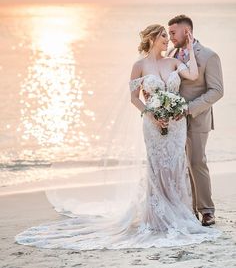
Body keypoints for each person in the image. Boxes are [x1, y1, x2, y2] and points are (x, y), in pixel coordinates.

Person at [15, 22, 221, 250]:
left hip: (176, 125)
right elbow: (134, 98)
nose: (168, 39)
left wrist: (191, 47)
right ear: (153, 38)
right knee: (156, 166)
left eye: (168, 35)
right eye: (164, 35)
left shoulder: (174, 60)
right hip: (153, 125)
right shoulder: (139, 66)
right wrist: (150, 114)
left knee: (175, 166)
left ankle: (180, 210)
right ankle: (157, 216)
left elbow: (192, 74)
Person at [167, 15, 224, 226]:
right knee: (181, 164)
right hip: (174, 120)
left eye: (173, 32)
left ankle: (207, 210)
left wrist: (188, 109)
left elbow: (217, 91)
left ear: (186, 32)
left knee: (197, 162)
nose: (170, 37)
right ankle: (188, 210)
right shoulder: (171, 54)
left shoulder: (209, 56)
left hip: (198, 118)